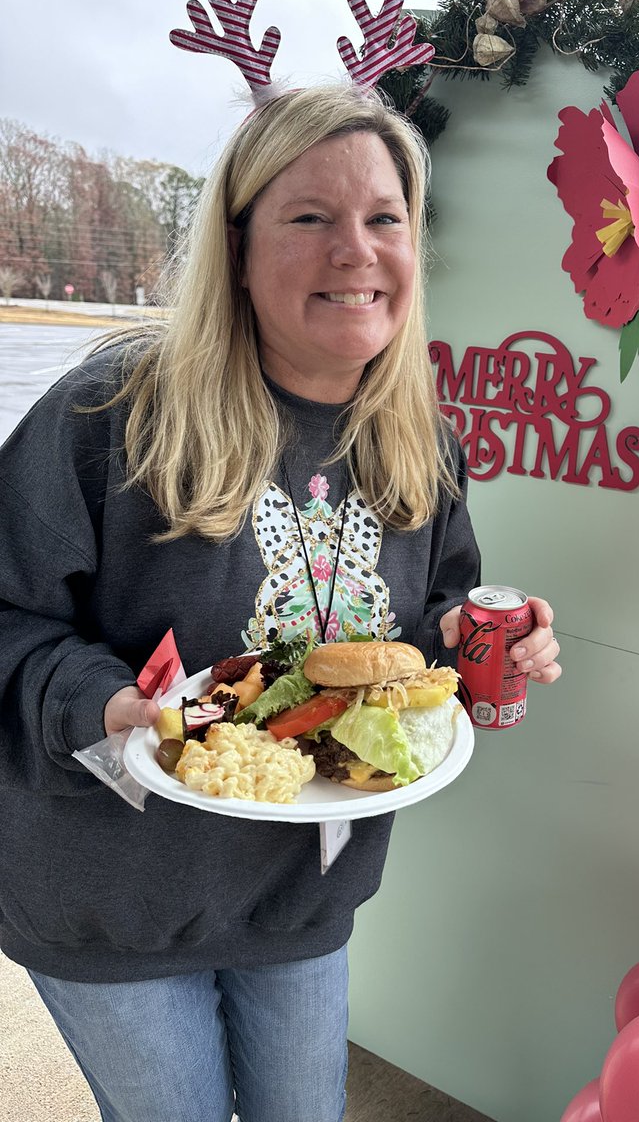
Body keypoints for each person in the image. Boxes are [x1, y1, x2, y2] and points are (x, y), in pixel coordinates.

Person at [0, 84, 562, 1122]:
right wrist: (102, 701)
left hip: (301, 886)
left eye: (384, 217)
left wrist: (470, 641)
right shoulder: (109, 415)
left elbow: (428, 613)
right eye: (310, 217)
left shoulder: (420, 438)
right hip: (108, 889)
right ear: (238, 244)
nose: (357, 250)